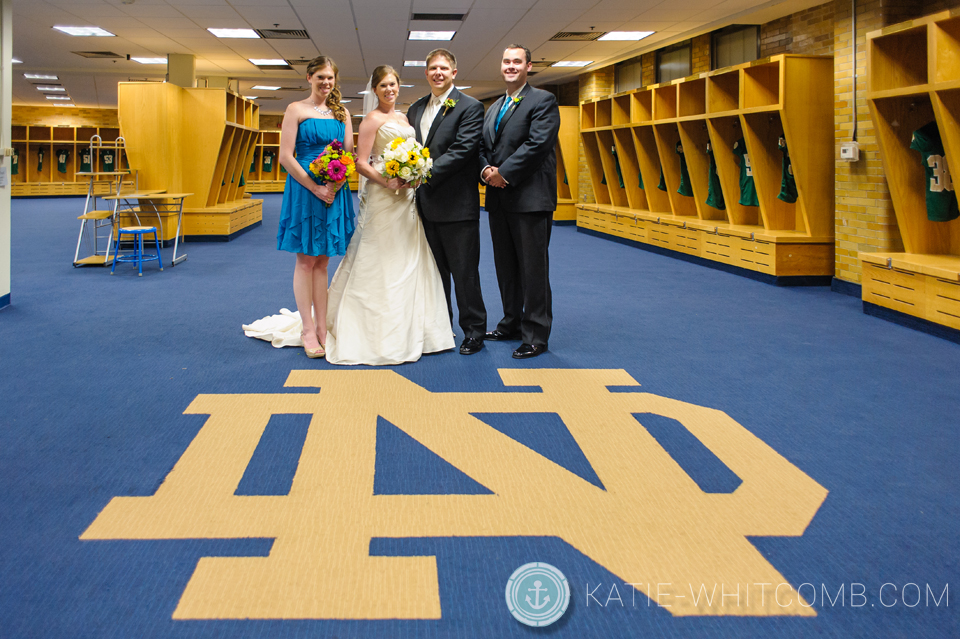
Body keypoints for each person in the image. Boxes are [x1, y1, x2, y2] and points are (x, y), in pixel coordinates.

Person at [324, 65, 455, 365]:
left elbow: (412, 151)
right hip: (384, 195)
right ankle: (370, 329)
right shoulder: (371, 120)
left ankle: (418, 328)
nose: (389, 90)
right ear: (375, 90)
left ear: (399, 86)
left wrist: (415, 171)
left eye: (393, 84)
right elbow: (360, 162)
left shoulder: (404, 118)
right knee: (379, 255)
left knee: (410, 256)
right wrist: (388, 181)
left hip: (406, 196)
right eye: (382, 85)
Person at [479, 44, 561, 359]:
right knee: (507, 267)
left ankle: (536, 335)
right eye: (506, 61)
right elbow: (484, 146)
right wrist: (486, 170)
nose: (511, 66)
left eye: (517, 61)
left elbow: (537, 144)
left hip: (530, 200)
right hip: (499, 200)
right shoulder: (494, 106)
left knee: (533, 269)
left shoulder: (543, 100)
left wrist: (504, 173)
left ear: (528, 66)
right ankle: (511, 323)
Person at [407, 48, 487, 355]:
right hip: (423, 207)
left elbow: (463, 150)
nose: (437, 73)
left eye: (444, 68)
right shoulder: (415, 109)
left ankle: (474, 331)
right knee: (434, 273)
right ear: (426, 73)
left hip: (457, 206)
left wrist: (421, 174)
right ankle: (442, 328)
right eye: (432, 68)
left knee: (464, 273)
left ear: (454, 72)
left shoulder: (470, 106)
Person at [276, 55, 355, 359]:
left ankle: (323, 327)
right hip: (305, 188)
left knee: (323, 261)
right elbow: (285, 156)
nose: (325, 82)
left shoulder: (342, 112)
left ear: (335, 81)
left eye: (330, 78)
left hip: (334, 189)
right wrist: (315, 187)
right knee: (306, 261)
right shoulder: (295, 109)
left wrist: (333, 186)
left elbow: (348, 155)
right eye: (320, 76)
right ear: (309, 77)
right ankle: (307, 329)